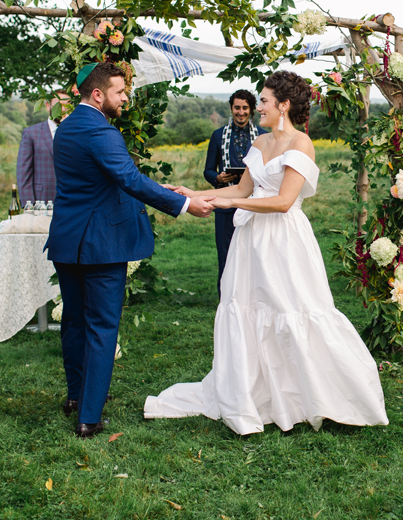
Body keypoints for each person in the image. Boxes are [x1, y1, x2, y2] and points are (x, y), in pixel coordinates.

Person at [144, 70, 388, 435]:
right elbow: (242, 192)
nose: (258, 107)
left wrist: (229, 207)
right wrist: (191, 194)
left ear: (284, 106)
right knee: (247, 311)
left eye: (264, 101)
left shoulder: (301, 143)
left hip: (283, 241)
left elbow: (284, 201)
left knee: (292, 310)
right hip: (250, 243)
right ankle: (256, 394)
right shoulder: (258, 145)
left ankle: (314, 395)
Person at [46, 62, 215, 438]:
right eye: (120, 92)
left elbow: (106, 180)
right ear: (98, 94)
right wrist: (185, 205)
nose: (126, 98)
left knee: (74, 321)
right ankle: (89, 416)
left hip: (68, 239)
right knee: (103, 325)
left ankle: (76, 396)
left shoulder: (68, 127)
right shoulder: (101, 132)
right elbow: (128, 178)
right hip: (100, 244)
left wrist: (163, 190)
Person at [203, 89, 266, 297]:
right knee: (226, 253)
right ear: (231, 108)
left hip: (255, 202)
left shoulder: (264, 137)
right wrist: (217, 178)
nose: (241, 112)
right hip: (225, 202)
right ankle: (226, 298)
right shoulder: (218, 135)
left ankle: (253, 297)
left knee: (255, 253)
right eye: (237, 107)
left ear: (252, 110)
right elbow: (208, 170)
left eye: (245, 108)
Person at [17, 89, 72, 205]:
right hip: (41, 201)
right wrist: (29, 206)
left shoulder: (76, 133)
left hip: (72, 202)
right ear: (48, 106)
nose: (63, 109)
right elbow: (24, 174)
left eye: (68, 105)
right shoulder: (31, 133)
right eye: (59, 104)